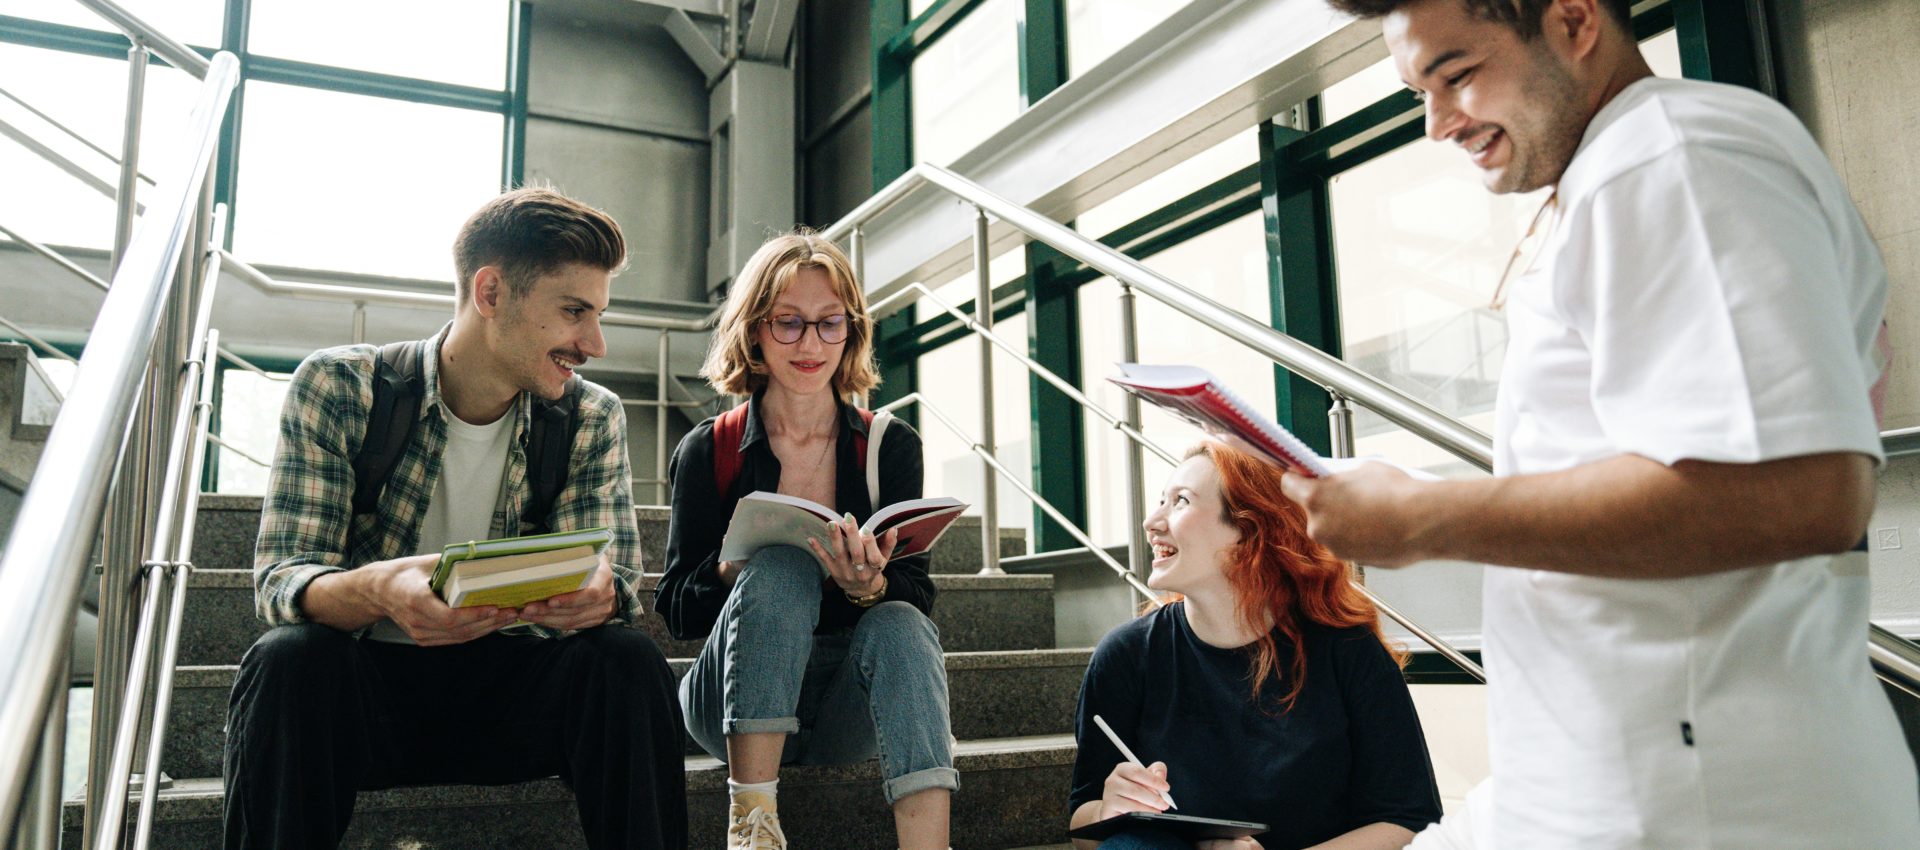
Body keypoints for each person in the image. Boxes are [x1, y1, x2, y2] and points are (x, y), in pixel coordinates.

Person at [1285, 0, 1920, 846]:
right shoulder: (1618, 173)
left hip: (1708, 803)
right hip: (1631, 781)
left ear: (1575, 21)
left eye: (1459, 75)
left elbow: (1797, 492)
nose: (1438, 124)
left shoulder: (1676, 159)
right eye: (1418, 93)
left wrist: (1420, 517)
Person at [225, 188, 687, 850]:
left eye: (598, 315)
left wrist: (597, 598)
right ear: (491, 292)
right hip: (368, 699)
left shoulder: (590, 415)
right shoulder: (341, 388)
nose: (595, 343)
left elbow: (618, 587)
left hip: (513, 695)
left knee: (626, 660)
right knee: (288, 661)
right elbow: (282, 581)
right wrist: (381, 589)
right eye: (574, 312)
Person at [656, 231, 957, 850]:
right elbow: (675, 610)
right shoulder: (707, 448)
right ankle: (753, 827)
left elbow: (917, 590)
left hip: (846, 699)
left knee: (900, 620)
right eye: (788, 323)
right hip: (730, 700)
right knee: (782, 568)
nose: (811, 344)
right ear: (755, 332)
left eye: (829, 323)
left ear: (851, 330)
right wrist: (730, 573)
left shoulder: (888, 445)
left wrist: (870, 586)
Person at [1069, 441, 1442, 850]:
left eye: (1180, 501)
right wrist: (1108, 810)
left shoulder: (1347, 650)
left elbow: (1407, 819)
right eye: (1161, 500)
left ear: (1250, 532)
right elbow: (1082, 827)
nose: (1151, 521)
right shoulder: (1125, 655)